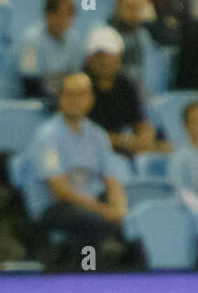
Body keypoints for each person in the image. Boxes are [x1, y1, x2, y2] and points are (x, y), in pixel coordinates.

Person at [21, 72, 130, 269]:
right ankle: (85, 274)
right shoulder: (48, 136)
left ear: (90, 100)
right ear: (61, 99)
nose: (75, 100)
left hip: (90, 204)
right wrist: (105, 211)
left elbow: (112, 180)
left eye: (81, 95)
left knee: (127, 222)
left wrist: (119, 209)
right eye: (69, 95)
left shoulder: (98, 136)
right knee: (93, 221)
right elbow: (60, 191)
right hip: (53, 207)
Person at [83, 25, 159, 156]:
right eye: (99, 55)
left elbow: (140, 122)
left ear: (119, 57)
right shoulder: (80, 85)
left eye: (109, 54)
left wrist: (145, 136)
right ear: (89, 58)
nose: (104, 60)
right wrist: (123, 140)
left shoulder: (126, 85)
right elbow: (81, 133)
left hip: (121, 152)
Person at [19, 0, 84, 100]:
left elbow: (76, 76)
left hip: (62, 97)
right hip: (30, 98)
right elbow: (29, 84)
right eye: (60, 14)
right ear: (48, 15)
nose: (65, 20)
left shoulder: (74, 39)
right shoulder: (31, 40)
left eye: (69, 15)